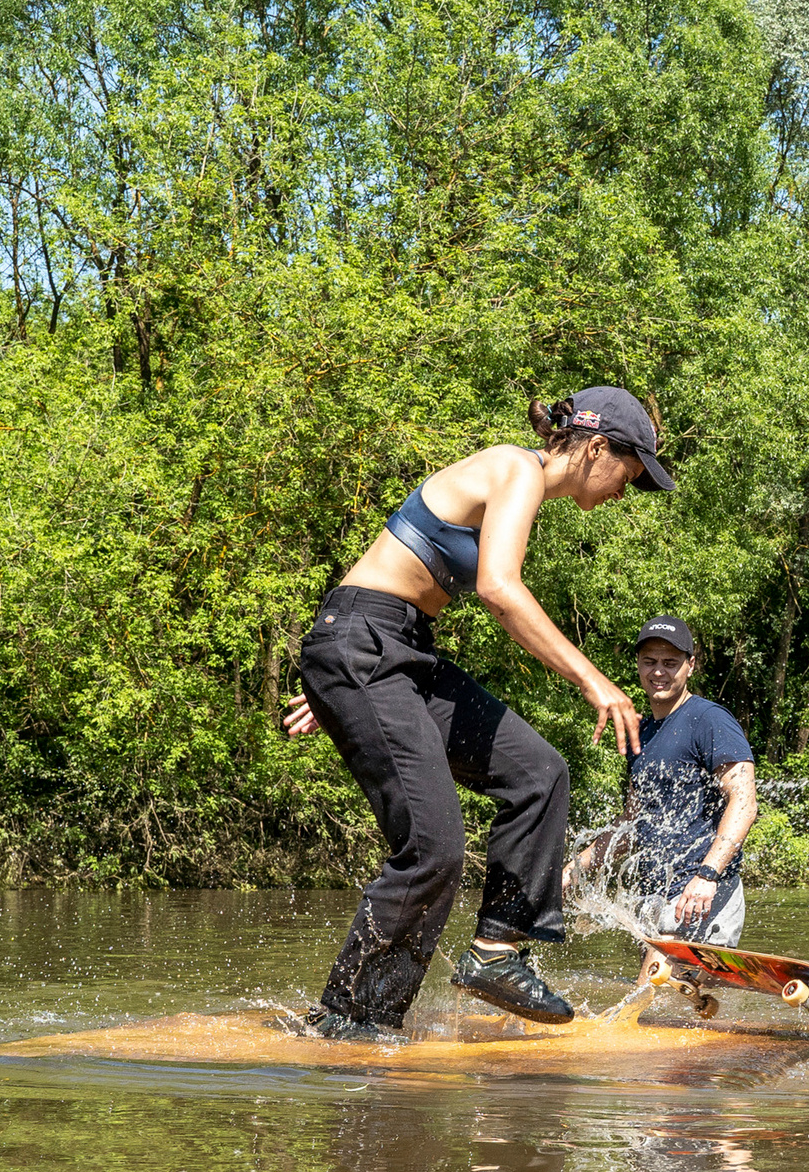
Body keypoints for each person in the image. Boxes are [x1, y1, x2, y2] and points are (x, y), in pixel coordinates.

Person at [283, 389, 673, 1038]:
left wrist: (348, 681)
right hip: (364, 643)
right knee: (432, 849)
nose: (623, 493)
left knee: (540, 773)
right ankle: (350, 1015)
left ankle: (496, 952)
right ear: (597, 447)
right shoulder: (516, 468)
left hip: (392, 652)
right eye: (628, 476)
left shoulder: (520, 488)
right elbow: (499, 586)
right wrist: (593, 679)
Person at [574, 616, 758, 946]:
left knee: (653, 994)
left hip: (701, 895)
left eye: (670, 662)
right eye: (650, 661)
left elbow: (744, 803)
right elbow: (631, 824)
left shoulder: (710, 720)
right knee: (676, 997)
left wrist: (708, 875)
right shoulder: (640, 734)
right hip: (655, 899)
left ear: (691, 665)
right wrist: (574, 869)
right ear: (638, 665)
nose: (659, 671)